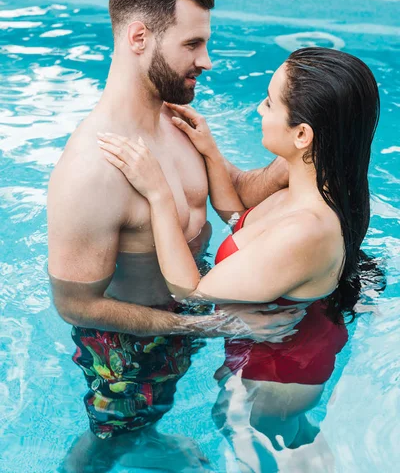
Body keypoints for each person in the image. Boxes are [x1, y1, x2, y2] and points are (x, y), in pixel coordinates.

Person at [47, 0, 300, 473]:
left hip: (185, 319)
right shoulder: (91, 171)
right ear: (139, 36)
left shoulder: (174, 118)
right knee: (112, 441)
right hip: (129, 353)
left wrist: (308, 150)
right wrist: (209, 326)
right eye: (192, 44)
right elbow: (75, 305)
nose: (207, 61)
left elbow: (235, 192)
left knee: (153, 425)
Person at [98, 47, 380, 470]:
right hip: (290, 353)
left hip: (276, 383)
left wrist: (158, 193)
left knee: (248, 436)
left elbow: (189, 288)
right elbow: (239, 221)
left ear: (303, 134)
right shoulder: (313, 182)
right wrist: (211, 151)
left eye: (269, 101)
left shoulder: (307, 231)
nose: (258, 108)